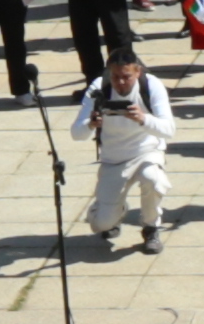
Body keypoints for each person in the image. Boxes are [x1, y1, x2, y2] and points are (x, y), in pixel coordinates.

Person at [74, 44, 173, 252]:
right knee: (101, 225)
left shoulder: (151, 85)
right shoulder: (98, 88)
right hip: (113, 159)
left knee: (154, 181)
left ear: (138, 72)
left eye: (126, 76)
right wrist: (90, 124)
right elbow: (76, 133)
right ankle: (114, 212)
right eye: (115, 76)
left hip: (147, 151)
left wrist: (143, 119)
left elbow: (169, 130)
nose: (120, 82)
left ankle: (151, 227)